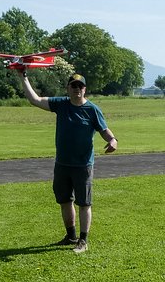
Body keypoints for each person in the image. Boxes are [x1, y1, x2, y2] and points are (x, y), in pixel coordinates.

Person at [18, 69, 117, 254]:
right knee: (64, 201)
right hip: (62, 164)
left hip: (83, 165)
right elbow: (35, 100)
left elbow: (104, 129)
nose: (77, 89)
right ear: (68, 88)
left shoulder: (92, 109)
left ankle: (83, 240)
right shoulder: (61, 104)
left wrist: (113, 140)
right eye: (73, 85)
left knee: (84, 203)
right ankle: (70, 236)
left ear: (85, 89)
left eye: (80, 86)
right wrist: (23, 76)